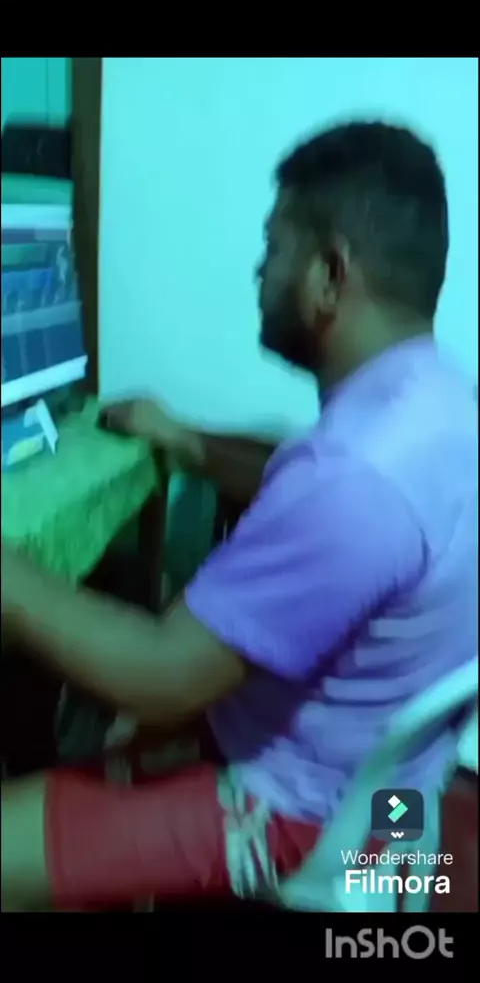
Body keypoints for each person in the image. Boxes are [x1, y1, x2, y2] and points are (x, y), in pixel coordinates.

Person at [1, 120, 477, 913]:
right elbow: (308, 482)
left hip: (297, 812)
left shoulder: (351, 481)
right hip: (396, 798)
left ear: (330, 275)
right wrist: (184, 438)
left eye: (275, 246)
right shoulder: (439, 406)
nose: (260, 269)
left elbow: (157, 676)